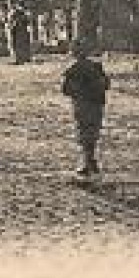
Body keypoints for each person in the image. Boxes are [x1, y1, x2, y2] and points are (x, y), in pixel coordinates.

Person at [60, 40, 110, 178]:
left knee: (83, 133)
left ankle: (87, 162)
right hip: (96, 104)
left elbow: (65, 89)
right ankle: (90, 160)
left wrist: (79, 93)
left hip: (83, 105)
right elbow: (106, 84)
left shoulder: (73, 70)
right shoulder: (96, 67)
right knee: (92, 132)